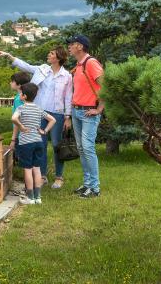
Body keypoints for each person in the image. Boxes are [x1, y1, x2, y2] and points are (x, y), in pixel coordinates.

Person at [0, 47, 73, 189]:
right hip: (40, 112)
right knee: (40, 145)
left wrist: (68, 116)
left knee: (56, 145)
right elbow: (26, 66)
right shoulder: (42, 69)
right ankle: (42, 176)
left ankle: (59, 177)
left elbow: (68, 97)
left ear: (59, 58)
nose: (48, 55)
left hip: (57, 114)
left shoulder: (66, 76)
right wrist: (9, 56)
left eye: (52, 53)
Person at [66, 34, 104, 199]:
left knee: (88, 148)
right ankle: (87, 184)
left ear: (80, 46)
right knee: (81, 149)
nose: (69, 47)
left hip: (89, 112)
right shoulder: (79, 64)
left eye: (71, 44)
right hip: (77, 111)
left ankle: (95, 188)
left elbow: (106, 86)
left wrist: (99, 109)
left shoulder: (91, 63)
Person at [11, 83, 56, 205]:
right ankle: (38, 197)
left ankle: (30, 198)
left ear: (24, 96)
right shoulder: (39, 108)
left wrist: (21, 126)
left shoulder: (21, 108)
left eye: (21, 93)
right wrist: (45, 131)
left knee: (27, 169)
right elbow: (53, 120)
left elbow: (14, 119)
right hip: (38, 142)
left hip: (26, 143)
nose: (20, 95)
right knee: (37, 169)